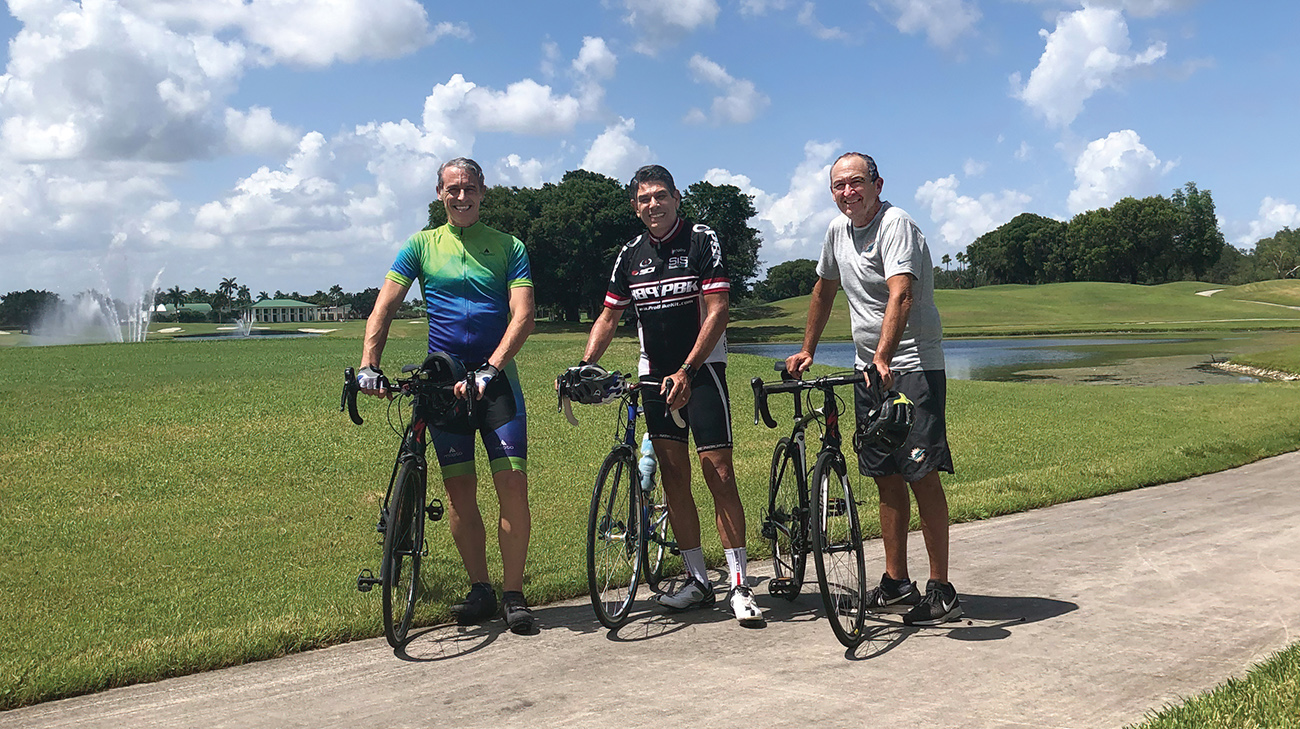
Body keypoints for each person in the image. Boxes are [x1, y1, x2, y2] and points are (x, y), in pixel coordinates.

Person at [573, 164, 763, 626]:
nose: (652, 205)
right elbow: (609, 316)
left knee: (718, 473)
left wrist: (688, 369)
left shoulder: (701, 239)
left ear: (677, 198)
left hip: (702, 371)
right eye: (643, 199)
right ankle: (698, 581)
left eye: (660, 196)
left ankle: (738, 584)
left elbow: (718, 310)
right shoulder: (630, 253)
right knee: (674, 479)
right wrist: (585, 364)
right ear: (635, 206)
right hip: (655, 374)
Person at [356, 157, 538, 634]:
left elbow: (523, 317)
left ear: (483, 192)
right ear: (439, 193)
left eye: (470, 188)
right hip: (444, 384)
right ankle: (480, 588)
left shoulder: (508, 247)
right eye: (453, 189)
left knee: (512, 485)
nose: (462, 197)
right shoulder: (419, 246)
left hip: (496, 383)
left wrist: (491, 369)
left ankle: (513, 593)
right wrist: (368, 364)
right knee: (459, 492)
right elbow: (385, 306)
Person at [784, 152, 962, 626]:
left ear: (877, 184)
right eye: (838, 185)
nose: (848, 192)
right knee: (884, 473)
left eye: (856, 183)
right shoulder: (836, 232)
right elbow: (824, 290)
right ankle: (896, 581)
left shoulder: (896, 224)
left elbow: (901, 293)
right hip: (871, 370)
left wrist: (884, 356)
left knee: (920, 473)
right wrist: (807, 350)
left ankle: (941, 588)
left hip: (913, 366)